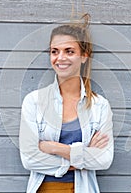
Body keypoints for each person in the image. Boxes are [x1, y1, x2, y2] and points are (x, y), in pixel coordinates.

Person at [19, 13, 114, 193]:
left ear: (84, 56)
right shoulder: (34, 102)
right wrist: (82, 158)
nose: (60, 58)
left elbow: (104, 160)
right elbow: (29, 158)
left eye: (69, 51)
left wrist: (53, 147)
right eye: (55, 51)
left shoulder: (100, 106)